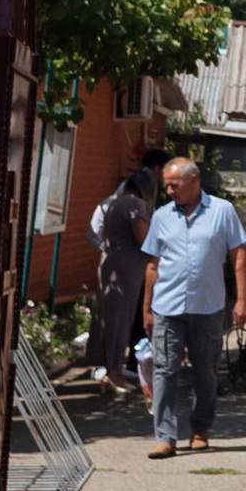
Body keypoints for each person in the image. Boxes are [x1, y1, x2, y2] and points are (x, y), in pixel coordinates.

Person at [141, 158, 246, 458]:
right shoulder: (162, 216)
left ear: (193, 181)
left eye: (174, 185)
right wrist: (147, 308)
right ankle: (165, 437)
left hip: (208, 305)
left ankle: (200, 429)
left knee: (206, 371)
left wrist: (242, 300)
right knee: (164, 369)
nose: (169, 191)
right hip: (167, 306)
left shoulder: (222, 211)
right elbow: (153, 265)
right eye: (166, 185)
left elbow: (238, 256)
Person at [87, 157, 159, 399]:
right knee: (120, 320)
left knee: (112, 319)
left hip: (115, 267)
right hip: (126, 270)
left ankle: (111, 371)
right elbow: (144, 240)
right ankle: (115, 370)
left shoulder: (116, 202)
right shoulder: (134, 204)